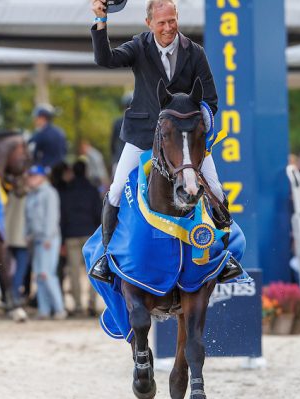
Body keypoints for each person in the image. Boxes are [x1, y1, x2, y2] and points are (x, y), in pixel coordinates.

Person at [88, 0, 242, 283]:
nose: (168, 27)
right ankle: (106, 258)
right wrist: (101, 21)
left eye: (172, 21)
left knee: (217, 189)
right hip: (142, 135)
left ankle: (225, 257)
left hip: (184, 140)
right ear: (149, 24)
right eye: (161, 23)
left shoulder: (195, 53)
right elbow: (105, 59)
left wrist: (197, 128)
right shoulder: (139, 46)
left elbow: (211, 99)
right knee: (117, 189)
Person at [59, 161, 103, 316]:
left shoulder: (66, 191)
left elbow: (62, 217)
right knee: (92, 270)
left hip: (71, 234)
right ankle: (92, 303)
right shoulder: (92, 191)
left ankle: (78, 306)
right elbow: (99, 214)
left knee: (74, 272)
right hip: (90, 235)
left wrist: (62, 238)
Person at [25, 165, 66, 320]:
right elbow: (28, 218)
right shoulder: (31, 195)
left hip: (48, 239)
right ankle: (44, 310)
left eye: (34, 176)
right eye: (30, 176)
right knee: (39, 276)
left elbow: (52, 217)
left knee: (47, 274)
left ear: (42, 177)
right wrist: (27, 234)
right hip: (36, 239)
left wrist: (48, 237)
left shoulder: (49, 193)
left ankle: (59, 309)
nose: (31, 179)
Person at [110, 92, 132, 169]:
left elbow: (112, 144)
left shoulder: (117, 122)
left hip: (119, 158)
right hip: (133, 159)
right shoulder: (139, 123)